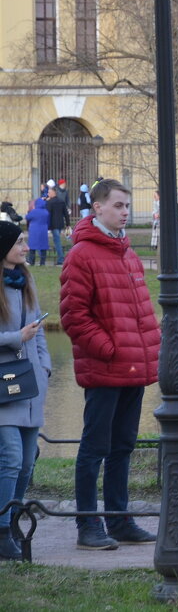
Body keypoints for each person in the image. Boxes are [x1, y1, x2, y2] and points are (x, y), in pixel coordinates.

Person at [60, 179, 159, 550]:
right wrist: (110, 349)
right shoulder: (82, 255)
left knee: (123, 447)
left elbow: (141, 313)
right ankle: (88, 524)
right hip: (106, 368)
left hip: (133, 368)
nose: (125, 212)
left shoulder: (127, 253)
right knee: (94, 448)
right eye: (118, 205)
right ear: (97, 208)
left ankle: (119, 520)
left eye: (126, 206)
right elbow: (74, 317)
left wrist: (151, 349)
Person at [0, 223, 51, 561]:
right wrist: (17, 338)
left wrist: (45, 367)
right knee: (11, 458)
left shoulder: (26, 279)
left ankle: (15, 521)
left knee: (28, 465)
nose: (25, 246)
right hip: (3, 389)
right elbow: (23, 333)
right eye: (18, 242)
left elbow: (40, 331)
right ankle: (3, 530)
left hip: (31, 385)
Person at [45, 188, 70, 265]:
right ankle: (61, 258)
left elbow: (47, 214)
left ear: (53, 193)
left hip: (53, 224)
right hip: (60, 223)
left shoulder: (49, 202)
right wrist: (68, 224)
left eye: (49, 192)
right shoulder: (61, 201)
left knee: (57, 241)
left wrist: (47, 225)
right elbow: (66, 213)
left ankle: (61, 259)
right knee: (57, 240)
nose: (48, 194)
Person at [26, 199, 50, 266]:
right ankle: (42, 262)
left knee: (32, 247)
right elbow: (48, 221)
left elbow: (27, 217)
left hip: (34, 230)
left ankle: (32, 262)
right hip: (43, 230)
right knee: (43, 247)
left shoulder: (34, 211)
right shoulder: (46, 212)